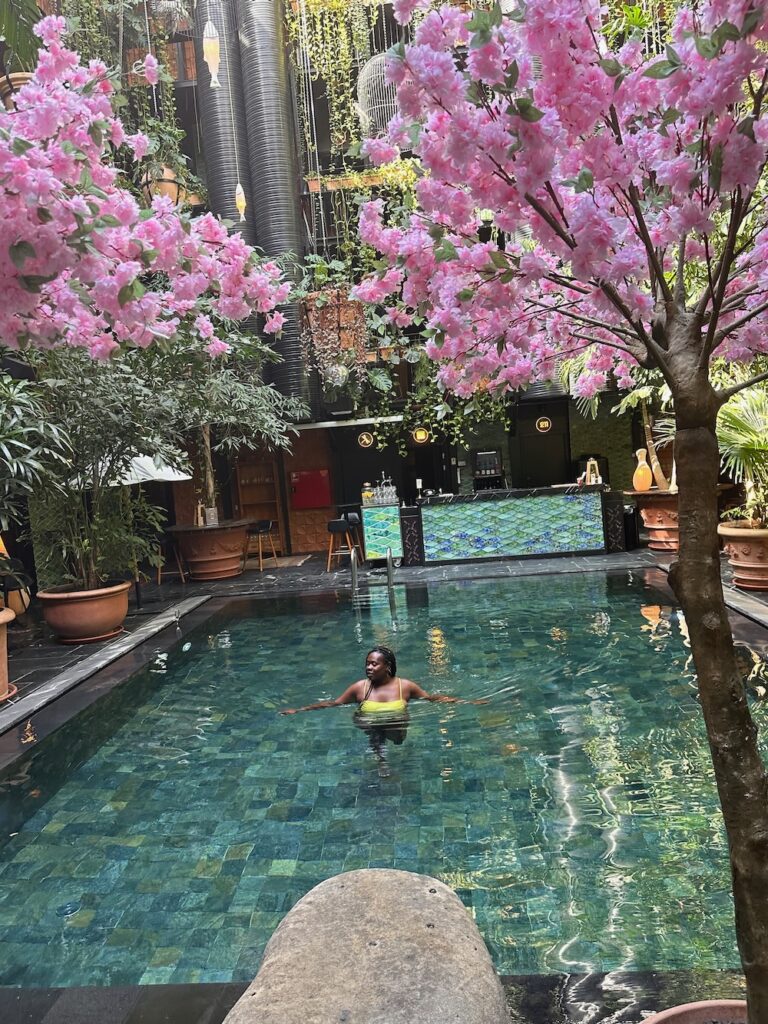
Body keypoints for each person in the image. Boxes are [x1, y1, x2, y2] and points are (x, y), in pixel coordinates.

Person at [280, 646, 486, 775]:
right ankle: (382, 761)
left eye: (373, 664)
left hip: (396, 725)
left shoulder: (404, 686)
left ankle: (386, 740)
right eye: (367, 664)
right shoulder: (359, 687)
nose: (368, 667)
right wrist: (299, 710)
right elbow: (334, 703)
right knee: (375, 727)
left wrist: (466, 702)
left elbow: (432, 699)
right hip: (369, 722)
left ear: (387, 666)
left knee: (398, 739)